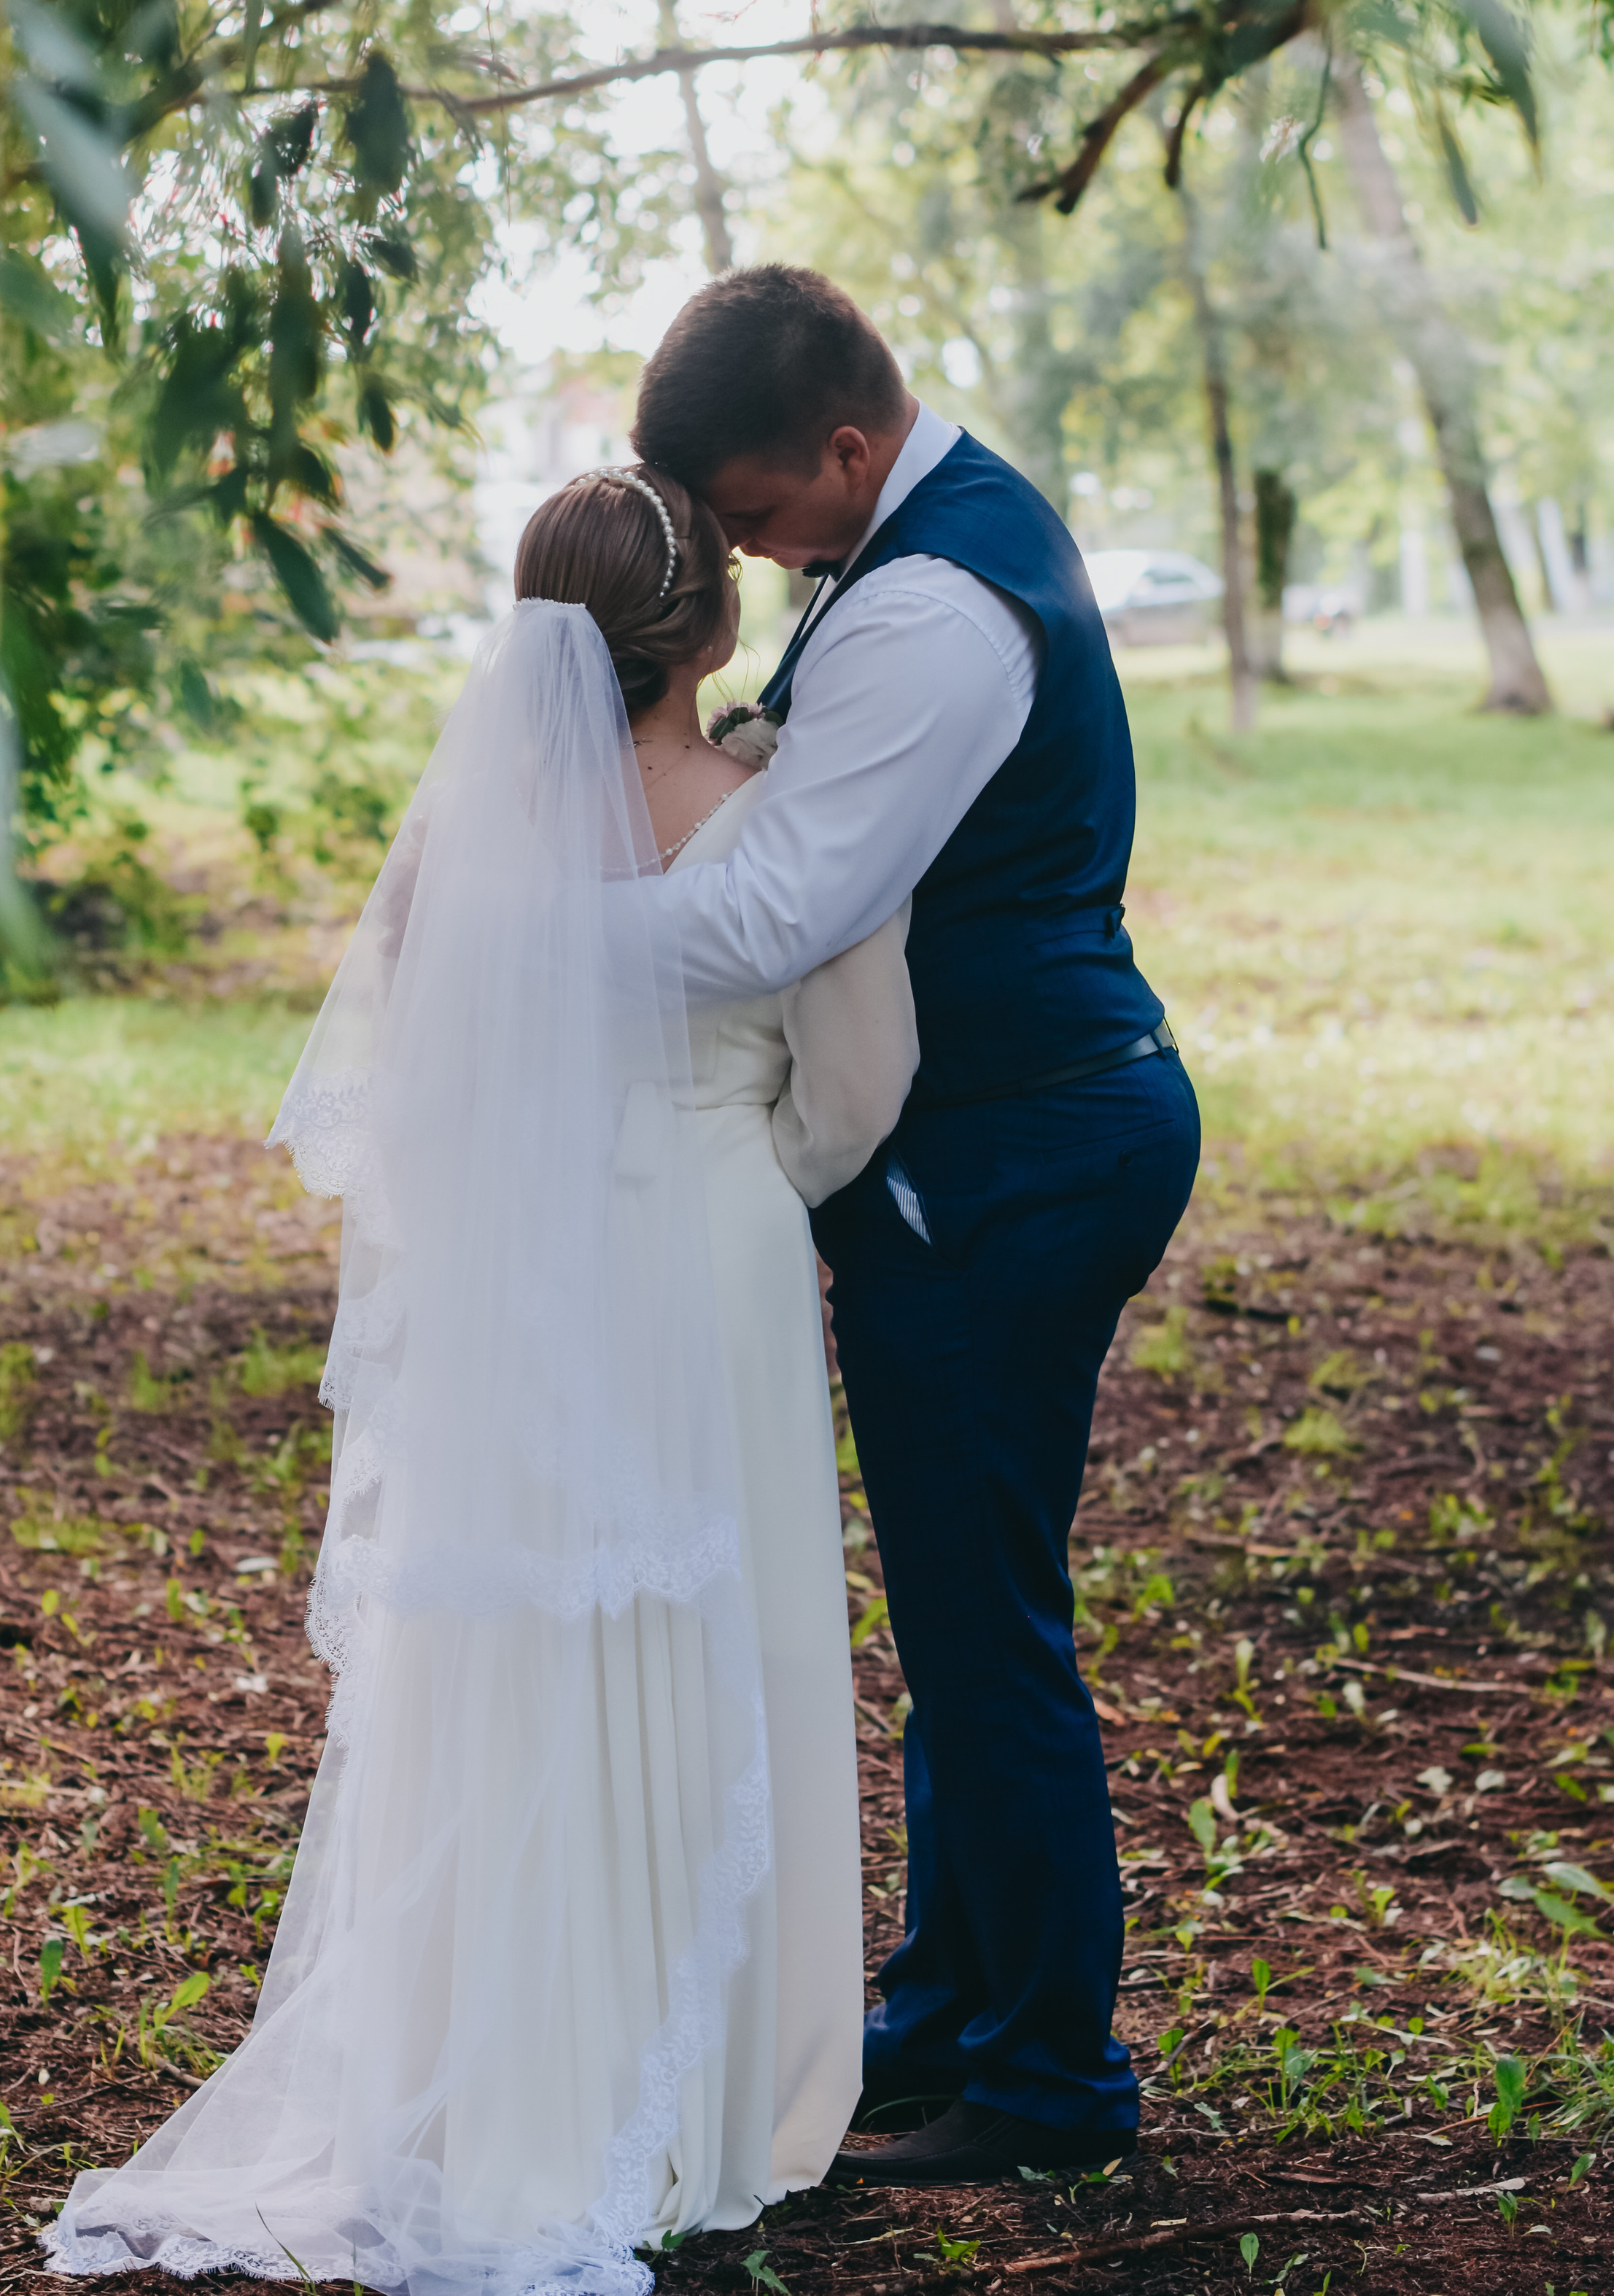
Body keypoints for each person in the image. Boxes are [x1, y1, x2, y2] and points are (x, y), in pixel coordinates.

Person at [43, 469, 915, 2290]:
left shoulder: (464, 837)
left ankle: (492, 2083)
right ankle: (715, 2100)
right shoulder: (782, 818)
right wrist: (746, 1174)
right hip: (715, 1243)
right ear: (714, 632)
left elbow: (406, 1104)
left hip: (521, 1284)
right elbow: (857, 1089)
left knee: (515, 1661)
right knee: (722, 1645)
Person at [635, 265, 1202, 2187]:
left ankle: (1047, 2086)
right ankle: (947, 2012)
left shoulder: (932, 611)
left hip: (1016, 1152)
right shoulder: (912, 557)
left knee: (986, 1631)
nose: (745, 555)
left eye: (754, 514)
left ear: (850, 451)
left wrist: (519, 942)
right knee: (968, 1610)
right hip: (1001, 1135)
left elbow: (769, 914)